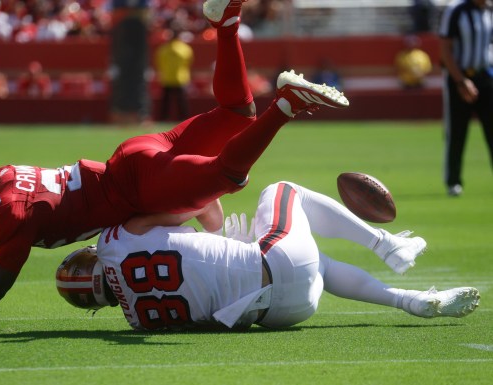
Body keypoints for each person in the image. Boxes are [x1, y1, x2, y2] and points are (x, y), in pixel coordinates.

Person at [0, 0, 349, 339]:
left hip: (137, 186)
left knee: (226, 174)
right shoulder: (5, 183)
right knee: (235, 112)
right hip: (132, 155)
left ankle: (284, 106)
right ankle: (225, 25)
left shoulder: (11, 214)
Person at [56, 181, 478, 331]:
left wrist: (224, 255)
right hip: (276, 263)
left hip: (284, 314)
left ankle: (413, 301)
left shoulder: (135, 319)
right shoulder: (113, 241)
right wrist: (220, 237)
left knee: (320, 267)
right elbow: (205, 201)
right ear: (90, 256)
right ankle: (386, 244)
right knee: (281, 191)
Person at [438, 0, 493, 197]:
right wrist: (461, 81)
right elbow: (445, 48)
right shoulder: (456, 10)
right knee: (457, 132)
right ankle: (453, 182)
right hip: (459, 78)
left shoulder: (487, 10)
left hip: (486, 76)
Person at [154, 27, 194, 121]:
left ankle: (164, 118)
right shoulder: (185, 48)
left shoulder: (163, 49)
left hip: (167, 78)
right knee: (181, 102)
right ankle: (184, 119)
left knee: (166, 103)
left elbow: (159, 62)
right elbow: (189, 62)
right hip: (181, 78)